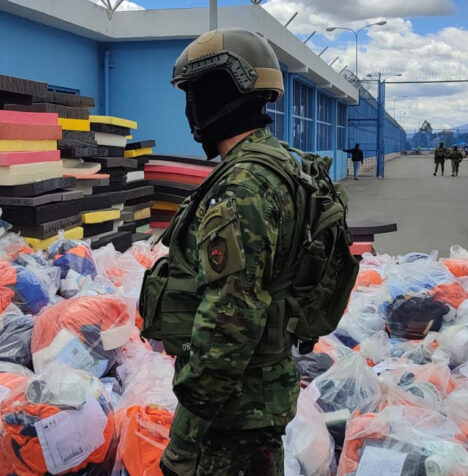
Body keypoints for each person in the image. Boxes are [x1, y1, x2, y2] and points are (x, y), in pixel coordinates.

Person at [142, 28, 302, 475]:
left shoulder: (243, 187)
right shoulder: (281, 163)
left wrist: (191, 417)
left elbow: (233, 310)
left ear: (223, 92)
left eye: (195, 94)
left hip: (231, 411)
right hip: (259, 393)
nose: (191, 110)